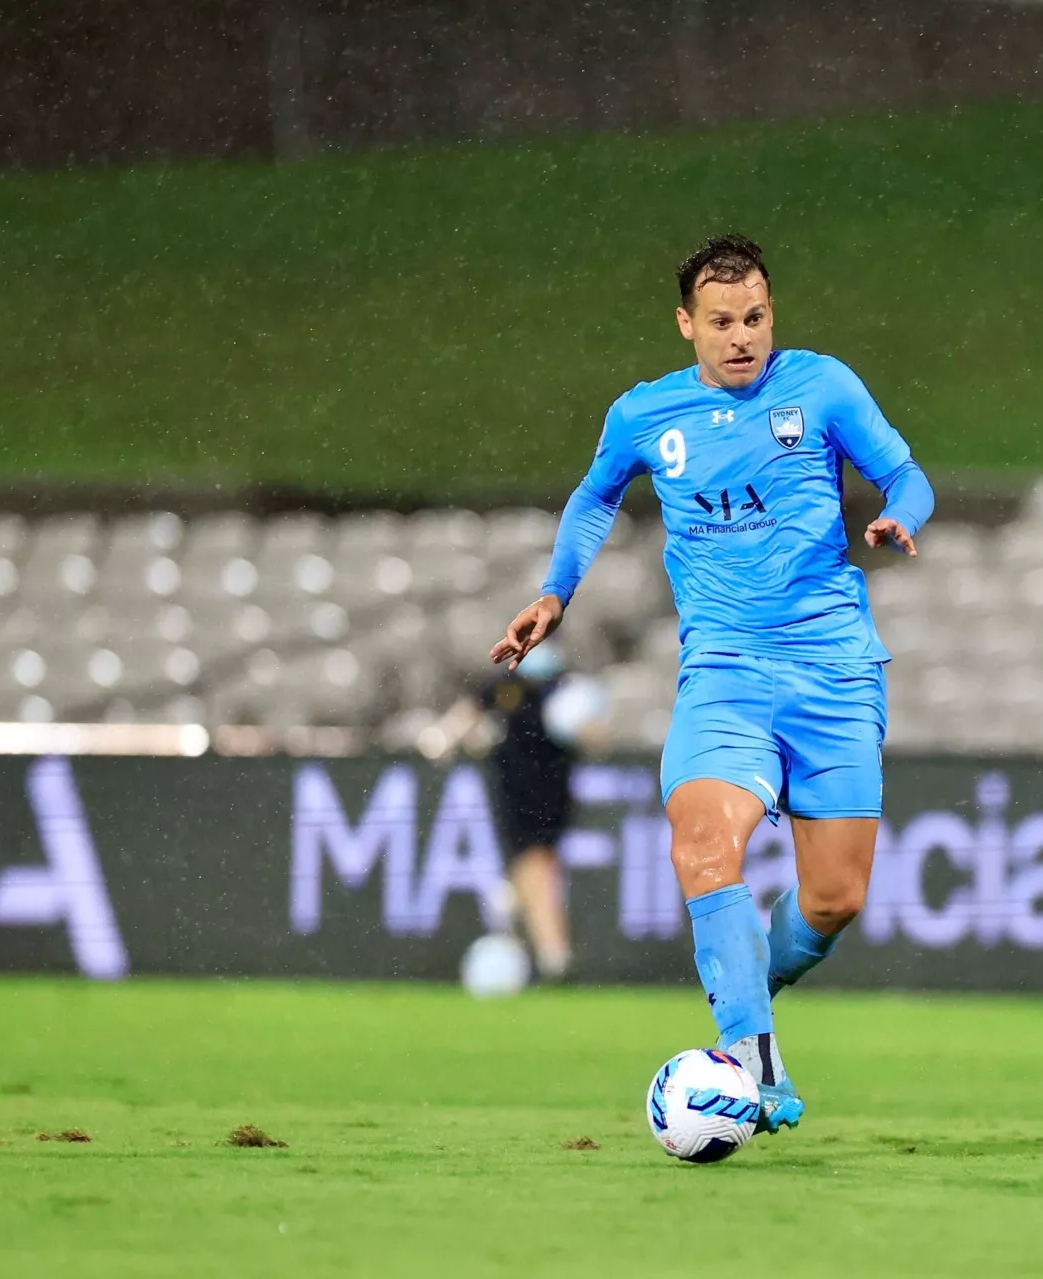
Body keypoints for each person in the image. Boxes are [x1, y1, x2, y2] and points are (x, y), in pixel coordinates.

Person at [490, 234, 934, 1134]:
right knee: (701, 839)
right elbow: (593, 496)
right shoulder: (646, 414)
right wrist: (554, 593)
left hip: (835, 670)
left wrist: (898, 514)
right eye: (723, 321)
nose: (743, 338)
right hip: (724, 672)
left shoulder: (822, 388)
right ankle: (755, 1063)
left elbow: (905, 471)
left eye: (757, 318)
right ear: (687, 323)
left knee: (834, 898)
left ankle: (744, 987)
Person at [430, 641, 585, 982]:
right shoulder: (506, 684)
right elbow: (469, 711)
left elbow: (592, 730)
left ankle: (551, 951)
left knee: (537, 862)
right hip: (514, 790)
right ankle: (527, 923)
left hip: (549, 792)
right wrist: (445, 737)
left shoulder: (562, 689)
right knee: (532, 863)